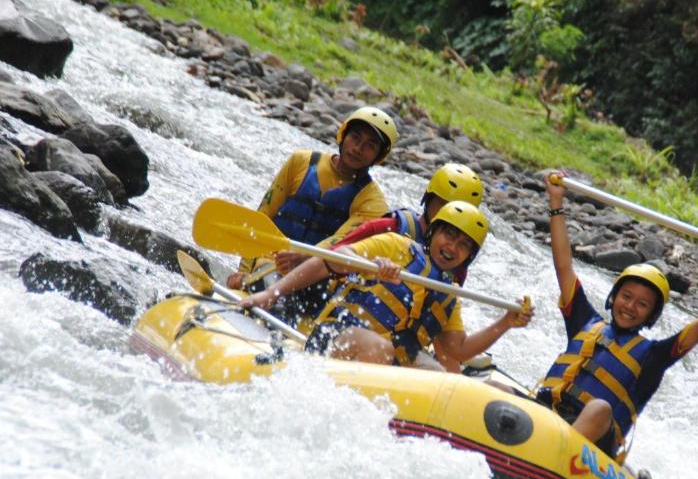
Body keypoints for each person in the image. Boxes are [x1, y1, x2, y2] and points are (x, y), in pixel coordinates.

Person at [536, 171, 698, 462]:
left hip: (593, 442)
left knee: (600, 408)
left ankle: (553, 461)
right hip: (548, 414)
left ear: (651, 315)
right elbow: (563, 266)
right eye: (626, 297)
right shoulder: (584, 321)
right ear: (614, 297)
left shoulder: (652, 357)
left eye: (642, 304)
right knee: (498, 389)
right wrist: (556, 203)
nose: (630, 307)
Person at [239, 201, 532, 371]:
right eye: (449, 236)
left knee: (447, 379)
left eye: (463, 245)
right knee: (380, 348)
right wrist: (271, 293)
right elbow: (335, 258)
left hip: (389, 367)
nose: (452, 247)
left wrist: (506, 322)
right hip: (337, 337)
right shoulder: (396, 246)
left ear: (469, 256)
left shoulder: (450, 295)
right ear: (433, 234)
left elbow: (457, 350)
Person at [225, 106, 398, 291]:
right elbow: (263, 217)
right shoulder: (301, 162)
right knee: (266, 279)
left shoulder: (372, 201)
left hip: (315, 280)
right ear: (343, 135)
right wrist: (244, 271)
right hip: (269, 263)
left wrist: (303, 258)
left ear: (378, 157)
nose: (358, 148)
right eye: (355, 137)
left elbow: (340, 243)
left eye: (370, 146)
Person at [329, 162, 484, 286]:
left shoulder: (456, 264)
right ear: (428, 198)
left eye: (458, 212)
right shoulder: (389, 227)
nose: (449, 215)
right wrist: (373, 266)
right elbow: (331, 258)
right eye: (443, 205)